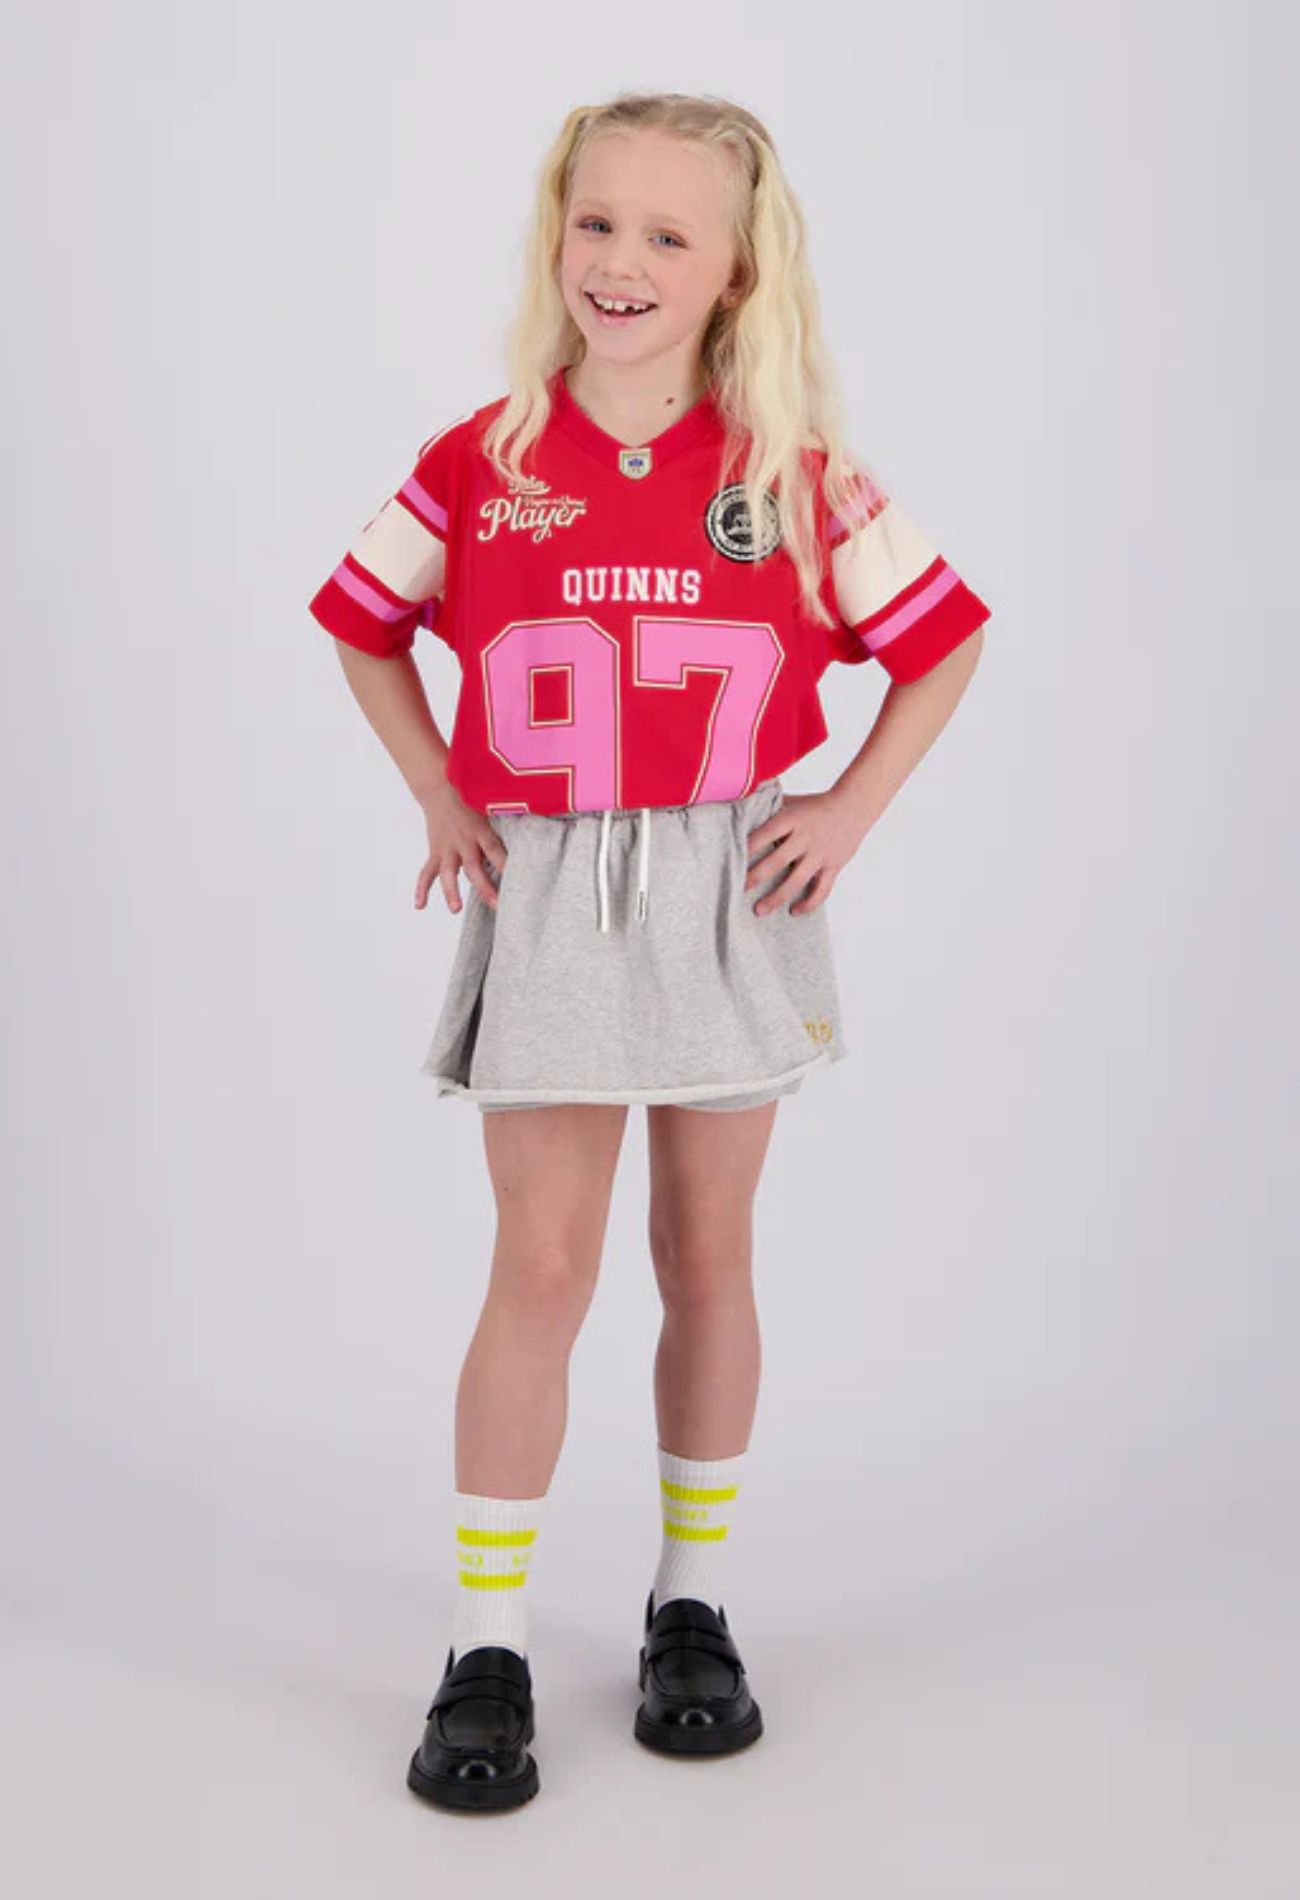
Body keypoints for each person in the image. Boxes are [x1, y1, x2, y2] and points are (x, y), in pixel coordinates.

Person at [308, 90, 989, 1813]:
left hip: (722, 891)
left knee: (706, 1253)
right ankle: (486, 1645)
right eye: (596, 220)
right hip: (551, 886)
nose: (620, 260)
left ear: (738, 268)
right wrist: (439, 790)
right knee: (540, 1268)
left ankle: (693, 1607)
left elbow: (941, 644)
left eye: (667, 234)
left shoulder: (793, 474)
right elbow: (366, 625)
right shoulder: (484, 459)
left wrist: (846, 809)